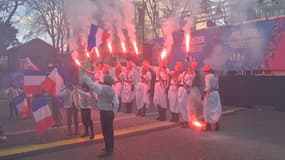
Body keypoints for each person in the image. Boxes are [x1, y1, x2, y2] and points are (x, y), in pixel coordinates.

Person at [81, 70, 119, 155]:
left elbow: (91, 84)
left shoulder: (101, 88)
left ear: (104, 81)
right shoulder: (112, 91)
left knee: (106, 131)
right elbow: (116, 102)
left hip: (104, 113)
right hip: (110, 112)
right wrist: (114, 112)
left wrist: (84, 75)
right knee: (110, 131)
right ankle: (110, 148)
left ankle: (107, 150)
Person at [201, 65, 222, 131]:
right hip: (216, 94)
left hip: (210, 94)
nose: (204, 73)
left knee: (208, 110)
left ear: (207, 71)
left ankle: (208, 126)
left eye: (205, 71)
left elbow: (208, 87)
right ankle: (217, 125)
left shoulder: (208, 76)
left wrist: (203, 93)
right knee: (215, 110)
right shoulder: (215, 76)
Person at [178, 62, 195, 128]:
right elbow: (179, 78)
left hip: (186, 90)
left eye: (191, 67)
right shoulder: (184, 73)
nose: (189, 68)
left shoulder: (193, 74)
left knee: (185, 106)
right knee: (181, 104)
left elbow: (191, 71)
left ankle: (187, 121)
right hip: (181, 89)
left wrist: (188, 59)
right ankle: (184, 120)